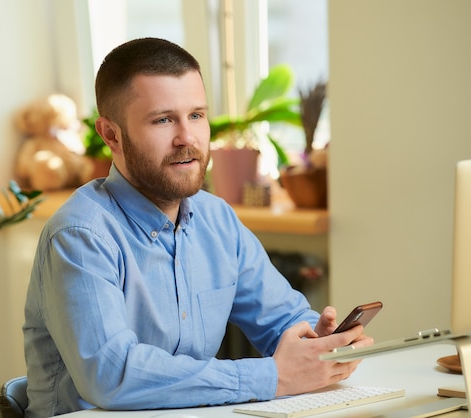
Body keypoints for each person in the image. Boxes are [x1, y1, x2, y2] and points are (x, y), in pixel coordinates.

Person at [22, 37, 373, 418]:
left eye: (196, 115)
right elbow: (112, 374)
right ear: (111, 135)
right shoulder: (80, 235)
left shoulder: (216, 220)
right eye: (162, 119)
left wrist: (321, 345)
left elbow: (284, 319)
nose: (187, 139)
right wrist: (273, 376)